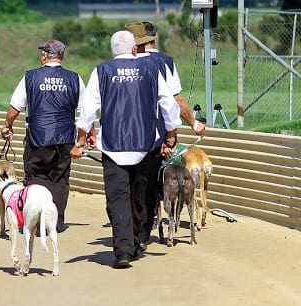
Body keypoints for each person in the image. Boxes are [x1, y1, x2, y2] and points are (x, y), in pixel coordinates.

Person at [70, 31, 181, 269]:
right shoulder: (152, 70)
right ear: (134, 49)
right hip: (145, 146)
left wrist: (81, 139)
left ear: (113, 51)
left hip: (112, 146)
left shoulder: (102, 71)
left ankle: (123, 250)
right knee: (140, 195)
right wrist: (171, 136)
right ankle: (138, 239)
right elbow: (169, 105)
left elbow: (88, 110)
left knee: (117, 198)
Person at [125, 22, 205, 249]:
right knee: (151, 181)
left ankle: (130, 228)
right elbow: (176, 101)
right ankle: (142, 230)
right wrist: (194, 124)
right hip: (157, 133)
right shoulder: (164, 62)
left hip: (126, 133)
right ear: (154, 39)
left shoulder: (123, 62)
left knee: (128, 181)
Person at [1, 39, 85, 233]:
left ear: (46, 55)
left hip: (37, 137)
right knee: (60, 178)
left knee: (35, 176)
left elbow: (15, 107)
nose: (41, 56)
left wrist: (8, 126)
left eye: (42, 53)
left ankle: (35, 221)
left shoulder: (30, 77)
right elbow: (84, 112)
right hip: (65, 137)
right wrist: (83, 138)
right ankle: (55, 222)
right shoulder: (75, 78)